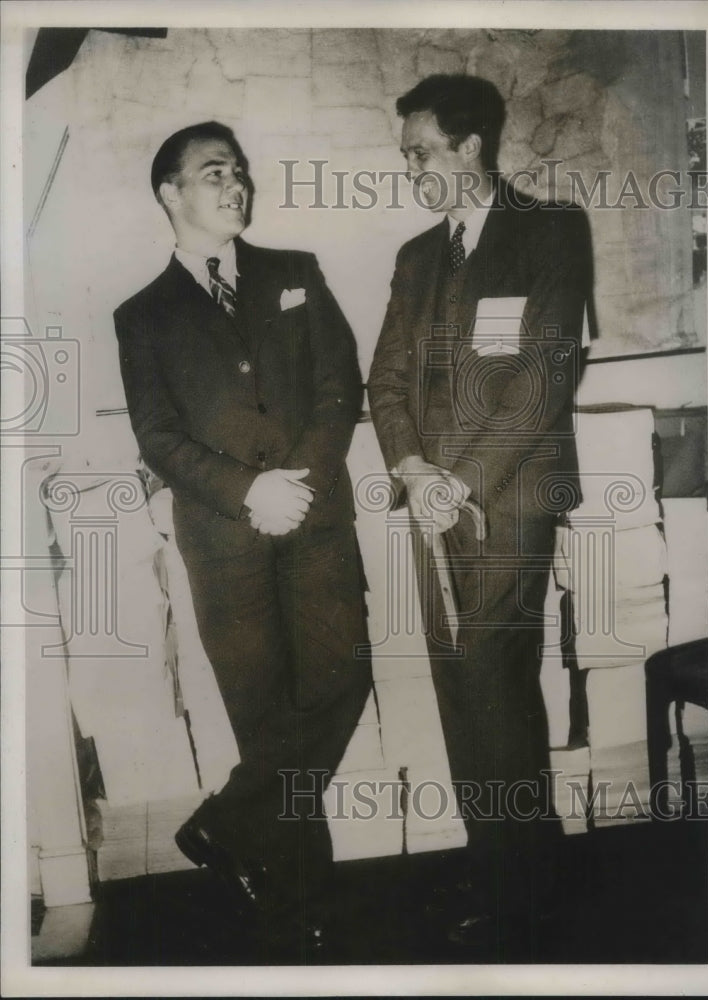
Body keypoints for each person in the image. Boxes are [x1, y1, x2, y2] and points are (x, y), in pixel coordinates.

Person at [114, 121, 371, 958]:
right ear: (170, 194)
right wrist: (247, 490)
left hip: (315, 519)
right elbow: (157, 438)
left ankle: (226, 824)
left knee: (339, 682)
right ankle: (302, 911)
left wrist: (293, 482)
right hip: (224, 541)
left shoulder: (295, 273)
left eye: (240, 171)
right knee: (268, 723)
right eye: (213, 172)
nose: (236, 184)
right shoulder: (142, 315)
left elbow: (340, 385)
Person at [367, 75, 591, 950]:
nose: (411, 169)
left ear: (470, 148)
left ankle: (519, 893)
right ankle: (513, 861)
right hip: (433, 500)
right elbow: (385, 381)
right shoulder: (418, 257)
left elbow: (543, 377)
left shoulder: (550, 232)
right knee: (464, 685)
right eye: (404, 157)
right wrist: (415, 468)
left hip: (512, 495)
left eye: (420, 152)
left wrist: (456, 480)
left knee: (493, 685)